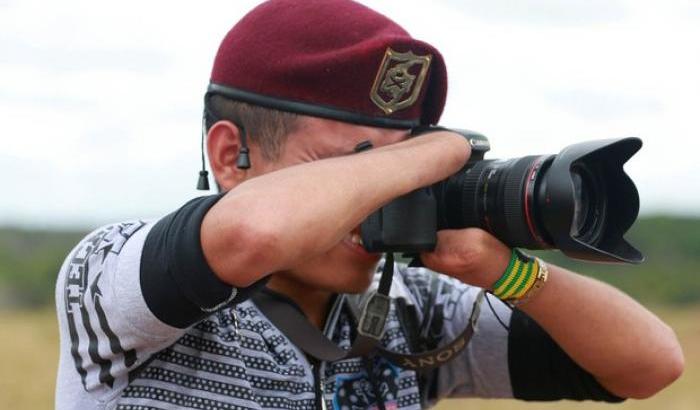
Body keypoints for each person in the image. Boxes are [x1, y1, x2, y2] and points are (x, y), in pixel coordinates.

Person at [55, 1, 684, 409]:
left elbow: (649, 365)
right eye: (350, 168)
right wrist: (438, 152)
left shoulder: (406, 309)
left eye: (394, 161)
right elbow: (254, 233)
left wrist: (503, 271)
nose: (382, 194)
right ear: (230, 156)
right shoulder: (108, 276)